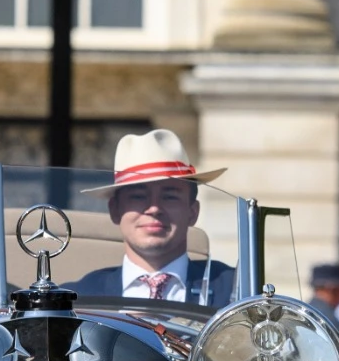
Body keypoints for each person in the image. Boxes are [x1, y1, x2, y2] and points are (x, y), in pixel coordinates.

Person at [73, 129, 236, 305]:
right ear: (115, 210)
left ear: (193, 212)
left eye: (170, 196)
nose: (154, 209)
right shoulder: (78, 298)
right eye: (138, 196)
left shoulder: (236, 292)